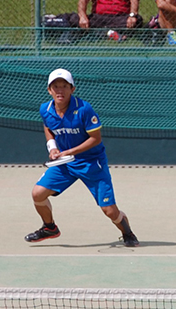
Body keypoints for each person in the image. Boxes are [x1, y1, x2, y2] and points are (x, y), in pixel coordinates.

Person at [28, 68, 138, 247]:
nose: (60, 90)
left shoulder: (85, 109)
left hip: (92, 164)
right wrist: (53, 147)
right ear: (49, 90)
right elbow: (48, 127)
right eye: (55, 87)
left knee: (109, 211)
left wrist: (69, 152)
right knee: (37, 194)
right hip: (66, 164)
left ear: (72, 89)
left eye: (64, 86)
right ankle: (49, 227)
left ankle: (127, 232)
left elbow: (96, 139)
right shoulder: (45, 109)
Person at [75, 0, 141, 34]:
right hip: (99, 18)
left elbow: (134, 1)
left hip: (120, 18)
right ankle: (112, 32)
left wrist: (132, 16)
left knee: (137, 20)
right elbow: (82, 1)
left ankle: (101, 32)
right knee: (75, 19)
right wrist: (82, 16)